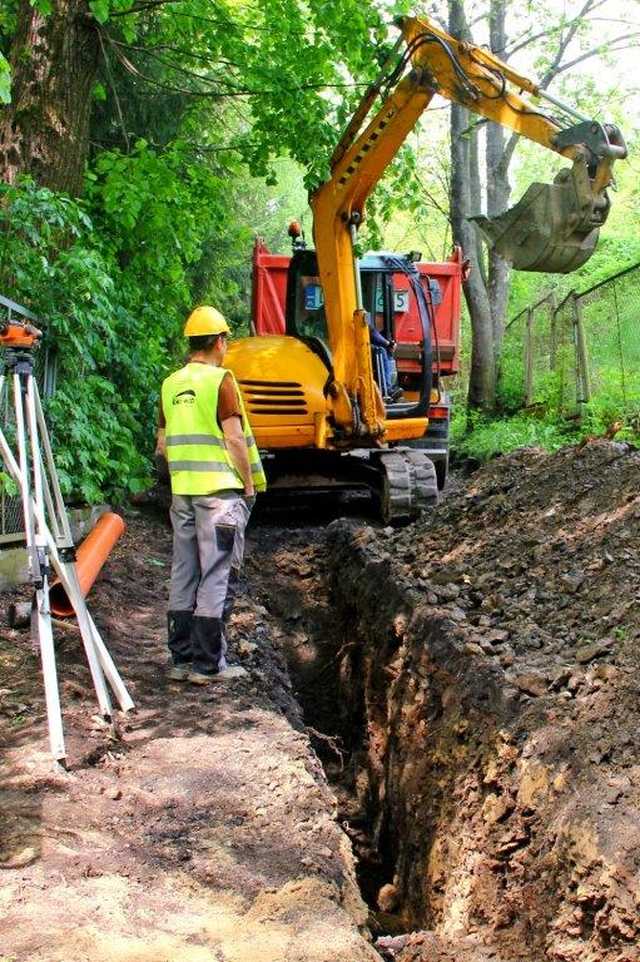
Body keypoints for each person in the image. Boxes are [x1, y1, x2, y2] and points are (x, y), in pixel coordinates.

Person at [156, 305, 267, 685]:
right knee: (217, 572)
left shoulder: (169, 385)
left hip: (183, 493)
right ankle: (207, 665)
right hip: (219, 494)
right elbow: (234, 437)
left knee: (184, 570)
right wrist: (248, 483)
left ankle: (181, 660)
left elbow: (162, 445)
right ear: (220, 342)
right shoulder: (221, 381)